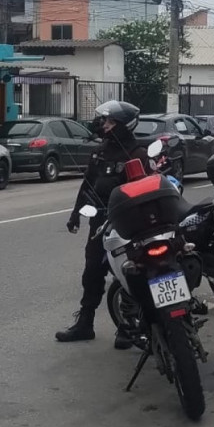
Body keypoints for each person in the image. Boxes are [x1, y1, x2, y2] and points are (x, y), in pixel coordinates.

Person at [56, 100, 150, 347]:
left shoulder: (137, 154)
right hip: (100, 223)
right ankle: (85, 323)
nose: (104, 125)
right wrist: (75, 214)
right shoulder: (100, 152)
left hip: (128, 225)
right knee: (92, 273)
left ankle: (128, 327)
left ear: (123, 126)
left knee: (128, 274)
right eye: (105, 121)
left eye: (110, 122)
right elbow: (87, 184)